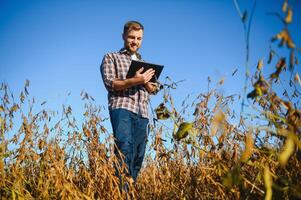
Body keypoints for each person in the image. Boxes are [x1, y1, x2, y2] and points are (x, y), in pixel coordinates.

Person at [100, 21, 159, 182]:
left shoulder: (146, 64)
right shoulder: (111, 57)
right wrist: (135, 80)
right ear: (123, 36)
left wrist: (146, 82)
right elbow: (111, 84)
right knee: (124, 150)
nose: (135, 41)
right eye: (132, 37)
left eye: (139, 38)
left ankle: (127, 192)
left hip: (143, 113)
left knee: (138, 156)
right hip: (123, 108)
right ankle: (120, 193)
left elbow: (154, 90)